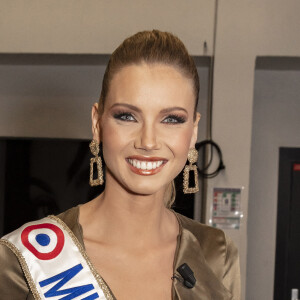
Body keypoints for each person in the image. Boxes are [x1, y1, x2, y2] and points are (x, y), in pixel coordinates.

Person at [0, 30, 240, 299]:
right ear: (97, 123)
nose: (148, 141)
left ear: (193, 131)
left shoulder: (215, 254)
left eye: (171, 119)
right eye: (127, 116)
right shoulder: (20, 262)